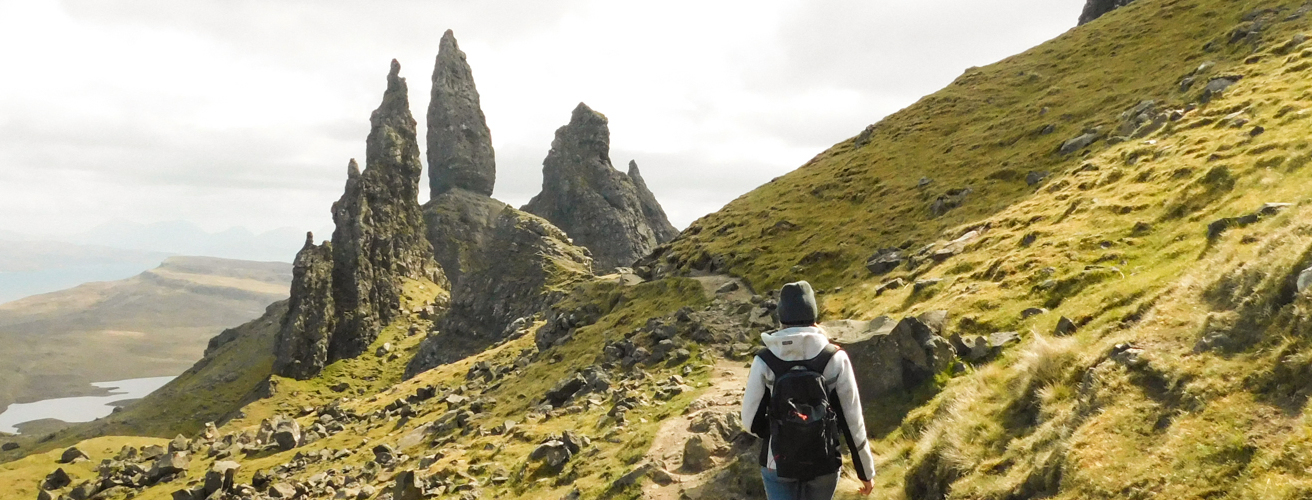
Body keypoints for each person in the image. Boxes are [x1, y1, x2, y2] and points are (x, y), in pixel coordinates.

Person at [741, 280, 876, 499]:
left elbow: (749, 420)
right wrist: (865, 472)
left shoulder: (765, 359)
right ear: (813, 314)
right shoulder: (835, 357)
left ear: (782, 316)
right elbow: (853, 422)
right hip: (824, 463)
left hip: (778, 463)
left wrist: (782, 432)